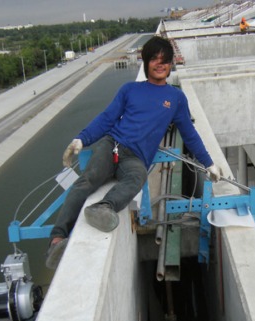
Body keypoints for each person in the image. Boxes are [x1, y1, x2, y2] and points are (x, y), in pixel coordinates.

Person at [45, 36, 222, 269]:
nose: (160, 64)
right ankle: (57, 240)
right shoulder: (129, 89)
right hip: (113, 146)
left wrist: (208, 163)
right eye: (154, 59)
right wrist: (82, 139)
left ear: (170, 65)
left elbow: (189, 133)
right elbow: (107, 119)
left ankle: (104, 207)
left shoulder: (176, 98)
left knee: (137, 178)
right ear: (146, 62)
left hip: (136, 158)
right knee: (88, 180)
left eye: (165, 60)